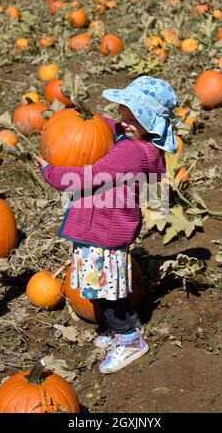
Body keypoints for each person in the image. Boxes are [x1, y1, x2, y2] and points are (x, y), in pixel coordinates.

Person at [33, 75, 179, 374]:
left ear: (152, 124)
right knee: (107, 286)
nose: (124, 122)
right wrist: (88, 116)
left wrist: (50, 172)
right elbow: (109, 128)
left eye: (134, 118)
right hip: (109, 225)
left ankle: (129, 338)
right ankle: (124, 328)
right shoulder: (144, 145)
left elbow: (90, 176)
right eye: (124, 113)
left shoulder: (130, 153)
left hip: (104, 229)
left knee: (104, 292)